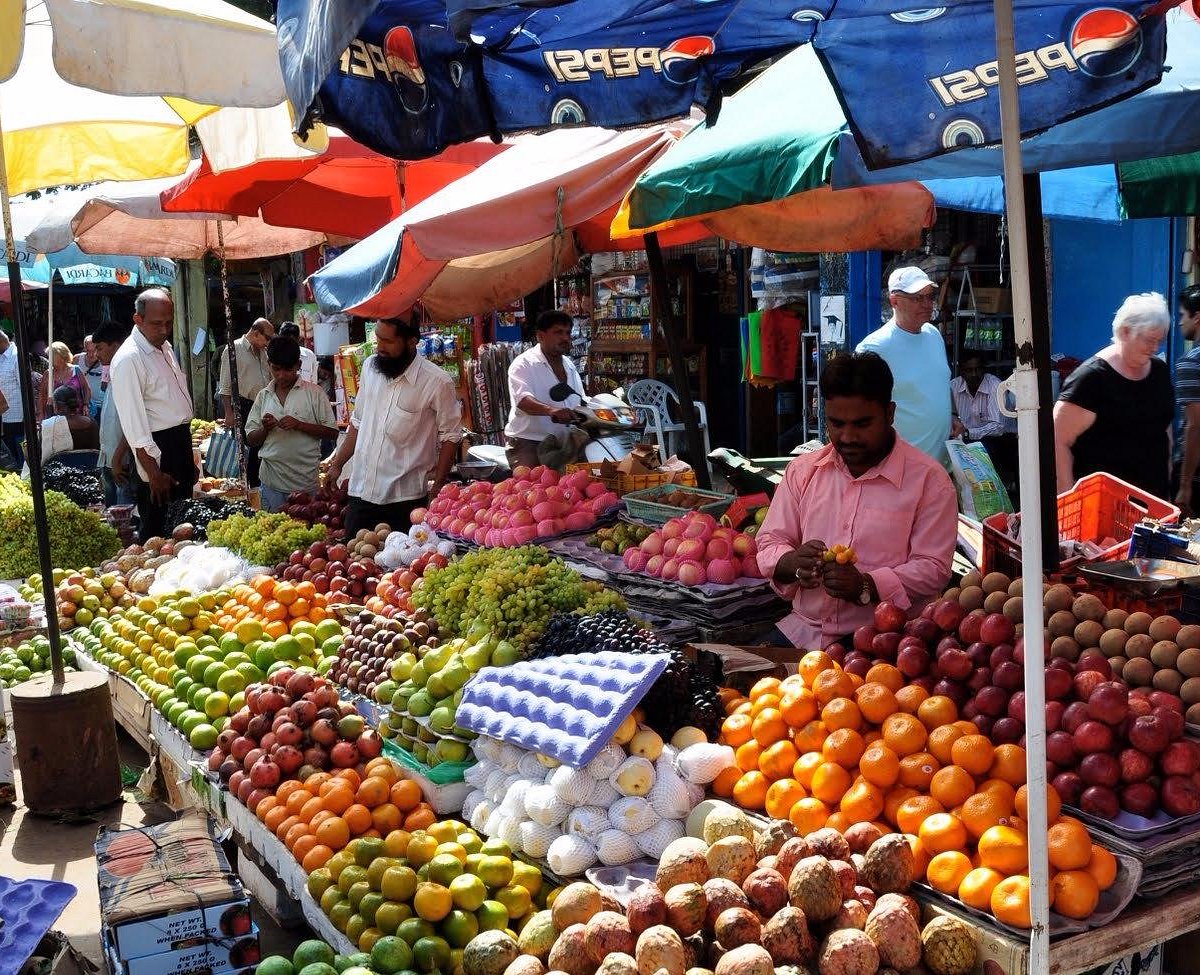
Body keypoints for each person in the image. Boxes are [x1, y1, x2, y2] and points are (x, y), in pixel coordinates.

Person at [756, 352, 959, 650]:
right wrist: (790, 562)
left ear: (889, 414)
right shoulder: (803, 471)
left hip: (887, 640)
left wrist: (867, 584)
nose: (848, 436)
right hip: (805, 632)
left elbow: (933, 568)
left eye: (862, 424)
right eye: (837, 424)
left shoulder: (931, 482)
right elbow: (770, 540)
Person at [324, 317, 462, 537]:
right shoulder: (370, 367)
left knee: (401, 569)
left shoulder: (437, 382)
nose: (380, 347)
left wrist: (437, 488)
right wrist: (337, 464)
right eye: (378, 339)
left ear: (411, 342)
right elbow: (358, 422)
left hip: (404, 501)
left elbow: (450, 437)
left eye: (387, 341)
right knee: (353, 562)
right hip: (362, 493)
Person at [1054, 292, 1175, 499]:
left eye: (1159, 341)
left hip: (1154, 501)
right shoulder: (1091, 378)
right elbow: (1057, 439)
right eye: (1149, 340)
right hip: (1103, 505)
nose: (1154, 348)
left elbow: (1165, 427)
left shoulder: (1159, 371)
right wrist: (1067, 496)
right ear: (1125, 331)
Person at [109, 288, 197, 541]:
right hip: (156, 453)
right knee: (159, 531)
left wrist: (186, 457)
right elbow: (135, 427)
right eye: (157, 323)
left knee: (183, 524)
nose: (164, 329)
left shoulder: (164, 347)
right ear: (138, 320)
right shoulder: (129, 359)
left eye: (169, 322)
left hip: (177, 443)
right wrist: (153, 474)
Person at [856, 267, 952, 465]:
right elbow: (859, 410)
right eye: (917, 298)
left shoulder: (933, 335)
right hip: (900, 473)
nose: (927, 304)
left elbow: (938, 387)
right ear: (894, 301)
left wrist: (952, 416)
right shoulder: (874, 347)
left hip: (941, 468)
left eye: (929, 296)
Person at [246, 336, 339, 512]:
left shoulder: (315, 394)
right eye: (276, 369)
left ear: (298, 365)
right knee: (272, 534)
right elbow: (251, 439)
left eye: (288, 370)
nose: (281, 375)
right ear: (269, 364)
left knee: (307, 536)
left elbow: (332, 433)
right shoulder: (263, 396)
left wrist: (300, 425)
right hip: (271, 482)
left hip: (306, 484)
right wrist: (265, 429)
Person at [504, 310, 586, 470]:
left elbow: (581, 399)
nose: (565, 338)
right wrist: (551, 411)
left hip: (564, 443)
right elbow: (523, 401)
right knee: (528, 489)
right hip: (529, 442)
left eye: (568, 332)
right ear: (540, 336)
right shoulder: (523, 364)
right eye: (558, 332)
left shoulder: (569, 365)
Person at [951, 353, 1018, 494]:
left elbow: (998, 427)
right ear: (961, 371)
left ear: (984, 369)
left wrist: (968, 432)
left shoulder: (994, 385)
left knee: (989, 451)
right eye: (969, 370)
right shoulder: (954, 386)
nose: (974, 374)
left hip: (1001, 439)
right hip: (967, 439)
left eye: (977, 369)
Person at [218, 317, 274, 486]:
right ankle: (250, 488)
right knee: (248, 453)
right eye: (268, 338)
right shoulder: (234, 349)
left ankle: (260, 487)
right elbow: (225, 387)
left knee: (262, 451)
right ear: (256, 333)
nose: (269, 342)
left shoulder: (264, 353)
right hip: (244, 406)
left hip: (264, 405)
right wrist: (229, 414)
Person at [93, 319, 136, 507]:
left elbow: (132, 422)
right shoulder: (113, 371)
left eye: (100, 348)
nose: (96, 354)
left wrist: (118, 458)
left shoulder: (127, 371)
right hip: (110, 459)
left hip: (122, 463)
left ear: (115, 345)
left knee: (124, 518)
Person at [1173, 285, 1200, 515]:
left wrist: (1185, 485)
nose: (1179, 322)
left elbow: (1195, 426)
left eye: (1182, 315)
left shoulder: (1191, 362)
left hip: (1195, 471)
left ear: (1197, 317)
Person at [36, 386, 99, 465]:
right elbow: (96, 449)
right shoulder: (92, 423)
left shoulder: (49, 426)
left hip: (59, 473)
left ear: (56, 406)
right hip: (90, 471)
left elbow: (39, 455)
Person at [41, 341, 91, 419]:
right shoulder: (48, 374)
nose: (49, 360)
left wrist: (86, 404)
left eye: (51, 357)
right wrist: (41, 416)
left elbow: (87, 389)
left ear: (61, 356)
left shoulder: (76, 370)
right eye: (48, 357)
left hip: (77, 415)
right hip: (54, 417)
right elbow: (42, 396)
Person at [0, 330, 25, 470]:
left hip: (17, 417)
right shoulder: (1, 357)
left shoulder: (16, 356)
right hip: (3, 417)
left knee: (19, 453)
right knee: (9, 456)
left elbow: (25, 387)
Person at [74, 334, 107, 419]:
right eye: (89, 351)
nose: (92, 354)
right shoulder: (77, 359)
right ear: (85, 349)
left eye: (94, 350)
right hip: (83, 403)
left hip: (101, 404)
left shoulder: (106, 359)